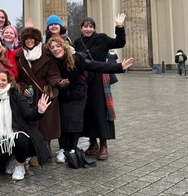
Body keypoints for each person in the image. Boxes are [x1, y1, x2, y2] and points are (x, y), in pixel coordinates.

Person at [48, 37, 133, 163]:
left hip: (78, 93)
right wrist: (59, 83)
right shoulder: (52, 61)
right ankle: (62, 149)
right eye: (52, 47)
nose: (56, 49)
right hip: (62, 93)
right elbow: (51, 76)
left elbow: (96, 65)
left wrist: (119, 67)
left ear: (64, 47)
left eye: (58, 46)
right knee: (63, 120)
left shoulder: (77, 58)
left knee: (76, 120)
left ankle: (72, 149)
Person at [73, 14, 126, 161]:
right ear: (81, 28)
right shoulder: (77, 42)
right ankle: (93, 143)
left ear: (94, 28)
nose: (88, 29)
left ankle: (104, 144)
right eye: (85, 26)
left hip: (99, 79)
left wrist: (119, 26)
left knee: (100, 111)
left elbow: (120, 42)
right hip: (83, 80)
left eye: (91, 26)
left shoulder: (101, 38)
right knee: (87, 111)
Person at [0, 69, 51, 180]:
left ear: (9, 82)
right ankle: (11, 158)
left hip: (18, 133)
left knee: (20, 139)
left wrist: (39, 111)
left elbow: (27, 113)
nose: (0, 82)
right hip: (0, 137)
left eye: (3, 80)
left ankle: (19, 165)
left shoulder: (16, 95)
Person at [15, 27, 63, 165]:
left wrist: (57, 82)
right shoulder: (19, 56)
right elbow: (19, 79)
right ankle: (35, 149)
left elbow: (53, 73)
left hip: (44, 93)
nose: (29, 41)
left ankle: (44, 149)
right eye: (26, 39)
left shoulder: (46, 53)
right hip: (29, 94)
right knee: (32, 123)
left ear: (37, 40)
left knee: (46, 124)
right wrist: (23, 88)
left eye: (32, 38)